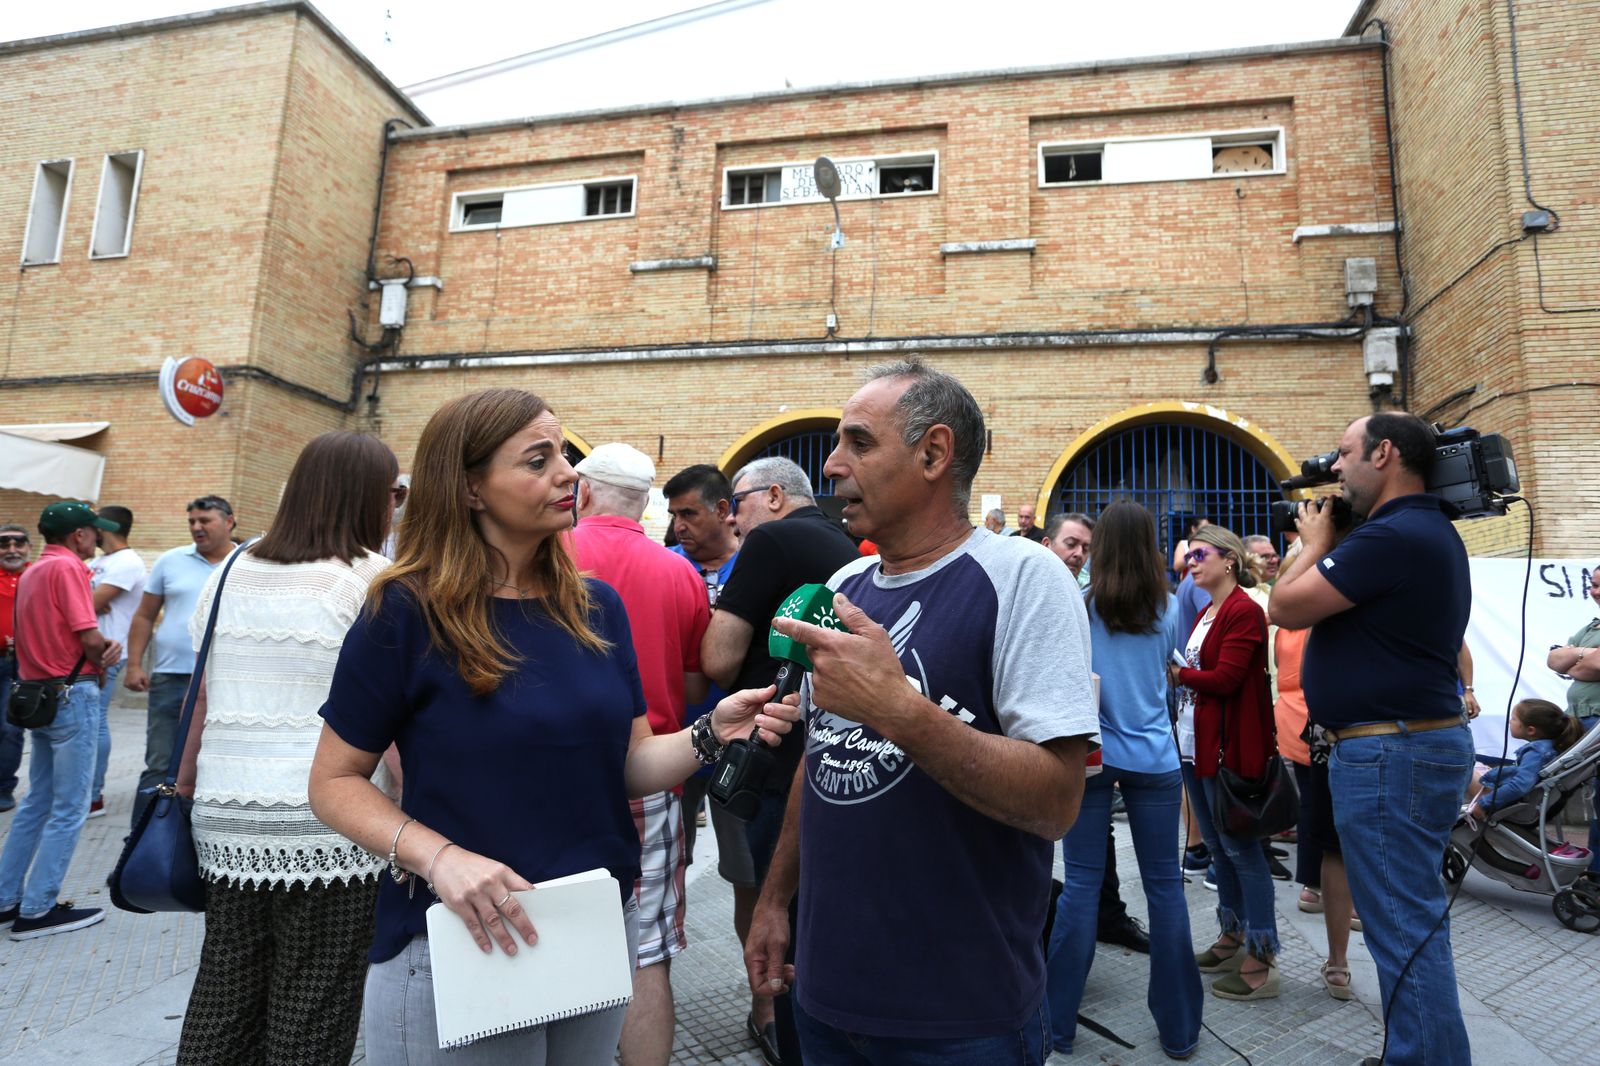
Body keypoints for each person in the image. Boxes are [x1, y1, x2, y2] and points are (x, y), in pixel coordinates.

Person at [307, 388, 799, 1066]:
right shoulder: (406, 609)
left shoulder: (595, 605)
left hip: (590, 928)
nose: (568, 474)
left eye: (562, 457)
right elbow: (333, 782)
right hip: (463, 936)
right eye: (538, 461)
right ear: (472, 488)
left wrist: (711, 732)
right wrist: (439, 859)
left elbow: (627, 764)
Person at [744, 359, 1099, 1064]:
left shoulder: (1025, 579)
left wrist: (899, 710)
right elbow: (821, 759)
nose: (833, 464)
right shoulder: (844, 583)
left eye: (859, 442)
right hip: (823, 996)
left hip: (963, 1017)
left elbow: (1058, 802)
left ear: (934, 453)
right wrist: (776, 899)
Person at [172, 433, 398, 1065]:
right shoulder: (370, 579)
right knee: (316, 1001)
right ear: (365, 498)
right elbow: (388, 721)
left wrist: (184, 791)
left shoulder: (230, 569)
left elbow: (202, 698)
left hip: (226, 816)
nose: (395, 509)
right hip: (332, 822)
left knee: (225, 990)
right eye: (393, 494)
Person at [1270, 412, 1476, 1066]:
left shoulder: (1393, 536)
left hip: (1392, 754)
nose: (1336, 466)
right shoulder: (1413, 529)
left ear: (1385, 453)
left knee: (1403, 931)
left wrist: (1313, 542)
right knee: (1408, 925)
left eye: (1346, 452)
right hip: (1404, 747)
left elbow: (1286, 605)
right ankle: (1418, 1053)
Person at [702, 455, 859, 1065]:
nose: (732, 518)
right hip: (843, 758)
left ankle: (787, 1035)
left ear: (771, 496)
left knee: (779, 913)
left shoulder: (771, 538)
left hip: (773, 756)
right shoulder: (846, 544)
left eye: (735, 502)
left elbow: (717, 659)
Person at [569, 442, 711, 1066]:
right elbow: (697, 683)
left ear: (584, 491)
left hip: (557, 777)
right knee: (646, 948)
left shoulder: (551, 555)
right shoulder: (678, 570)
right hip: (654, 774)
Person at [1044, 501, 1200, 1058]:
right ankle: (1180, 1029)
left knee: (1082, 887)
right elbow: (1169, 673)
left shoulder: (1081, 606)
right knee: (1164, 889)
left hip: (1093, 756)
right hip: (1154, 757)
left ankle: (1056, 1023)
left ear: (1102, 546)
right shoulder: (1170, 606)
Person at [1168, 524, 1279, 1001]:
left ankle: (1262, 957)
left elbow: (1228, 677)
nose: (1191, 563)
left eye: (1200, 555)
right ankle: (1231, 935)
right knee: (1217, 847)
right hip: (1197, 746)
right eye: (1189, 557)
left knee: (1242, 851)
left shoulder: (1243, 611)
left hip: (1228, 748)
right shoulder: (1208, 611)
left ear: (1229, 560)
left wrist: (1178, 673)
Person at [0, 502, 121, 939]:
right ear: (79, 536)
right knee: (69, 808)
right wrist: (106, 649)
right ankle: (37, 909)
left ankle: (6, 899)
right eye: (93, 531)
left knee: (37, 802)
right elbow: (87, 635)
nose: (96, 538)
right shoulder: (70, 568)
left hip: (40, 695)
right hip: (72, 694)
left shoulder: (33, 570)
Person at [124, 495, 238, 825]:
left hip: (221, 682)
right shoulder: (170, 561)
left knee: (213, 765)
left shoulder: (245, 563)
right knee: (160, 763)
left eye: (205, 521)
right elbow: (144, 615)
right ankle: (139, 846)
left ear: (229, 522)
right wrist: (134, 664)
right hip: (171, 677)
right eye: (192, 521)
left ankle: (187, 849)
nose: (196, 527)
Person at [663, 464, 741, 862]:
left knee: (745, 869)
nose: (678, 525)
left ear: (723, 509)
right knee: (671, 862)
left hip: (743, 736)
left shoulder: (755, 563)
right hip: (675, 739)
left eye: (688, 513)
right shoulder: (663, 567)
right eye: (673, 515)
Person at [87, 506, 144, 819]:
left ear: (105, 526)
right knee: (86, 722)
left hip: (109, 653)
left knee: (94, 723)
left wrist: (85, 598)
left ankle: (92, 796)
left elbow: (87, 603)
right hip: (89, 651)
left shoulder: (127, 562)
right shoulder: (97, 562)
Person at [1546, 564, 1600, 871]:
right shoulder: (1591, 628)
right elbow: (1554, 660)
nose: (1595, 591)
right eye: (1592, 585)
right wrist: (1584, 654)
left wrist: (1574, 656)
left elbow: (1591, 666)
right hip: (1577, 722)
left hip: (1597, 725)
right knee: (1543, 785)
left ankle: (1595, 876)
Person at [1468, 699, 1584, 817]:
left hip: (1514, 804)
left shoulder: (1536, 754)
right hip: (1525, 801)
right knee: (1476, 766)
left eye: (1514, 719)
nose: (1509, 721)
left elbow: (1520, 785)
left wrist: (1484, 803)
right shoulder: (1551, 746)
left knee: (1466, 769)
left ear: (1530, 730)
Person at [0, 524, 33, 812]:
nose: (12, 549)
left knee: (9, 728)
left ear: (29, 547)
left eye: (18, 543)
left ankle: (3, 789)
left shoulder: (38, 575)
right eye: (4, 544)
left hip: (21, 664)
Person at [1044, 512, 1094, 590]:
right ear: (1047, 545)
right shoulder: (1023, 581)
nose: (1079, 554)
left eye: (1085, 548)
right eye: (1071, 544)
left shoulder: (1089, 593)